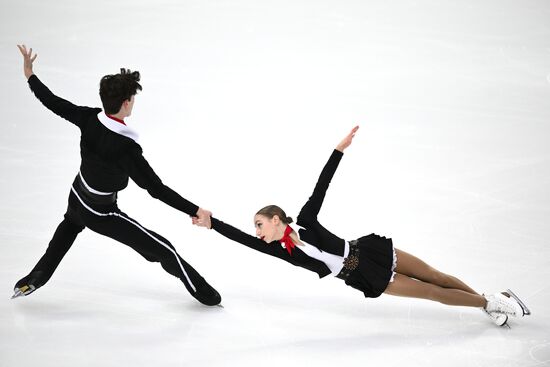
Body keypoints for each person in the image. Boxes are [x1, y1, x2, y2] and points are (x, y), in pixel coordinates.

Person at [193, 126, 530, 324]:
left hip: (368, 251)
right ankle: (490, 302)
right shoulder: (284, 251)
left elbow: (320, 185)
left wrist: (338, 150)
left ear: (277, 220)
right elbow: (241, 240)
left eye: (259, 224)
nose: (257, 232)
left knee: (436, 276)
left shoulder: (307, 219)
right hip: (361, 274)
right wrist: (212, 224)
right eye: (256, 228)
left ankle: (487, 301)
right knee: (432, 293)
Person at [12, 45, 221, 306]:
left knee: (69, 226)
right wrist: (195, 209)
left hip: (77, 195)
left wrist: (30, 74)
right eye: (132, 98)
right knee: (163, 249)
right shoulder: (125, 148)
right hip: (101, 213)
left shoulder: (88, 118)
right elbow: (156, 189)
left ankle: (36, 277)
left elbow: (54, 102)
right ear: (126, 103)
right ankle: (205, 294)